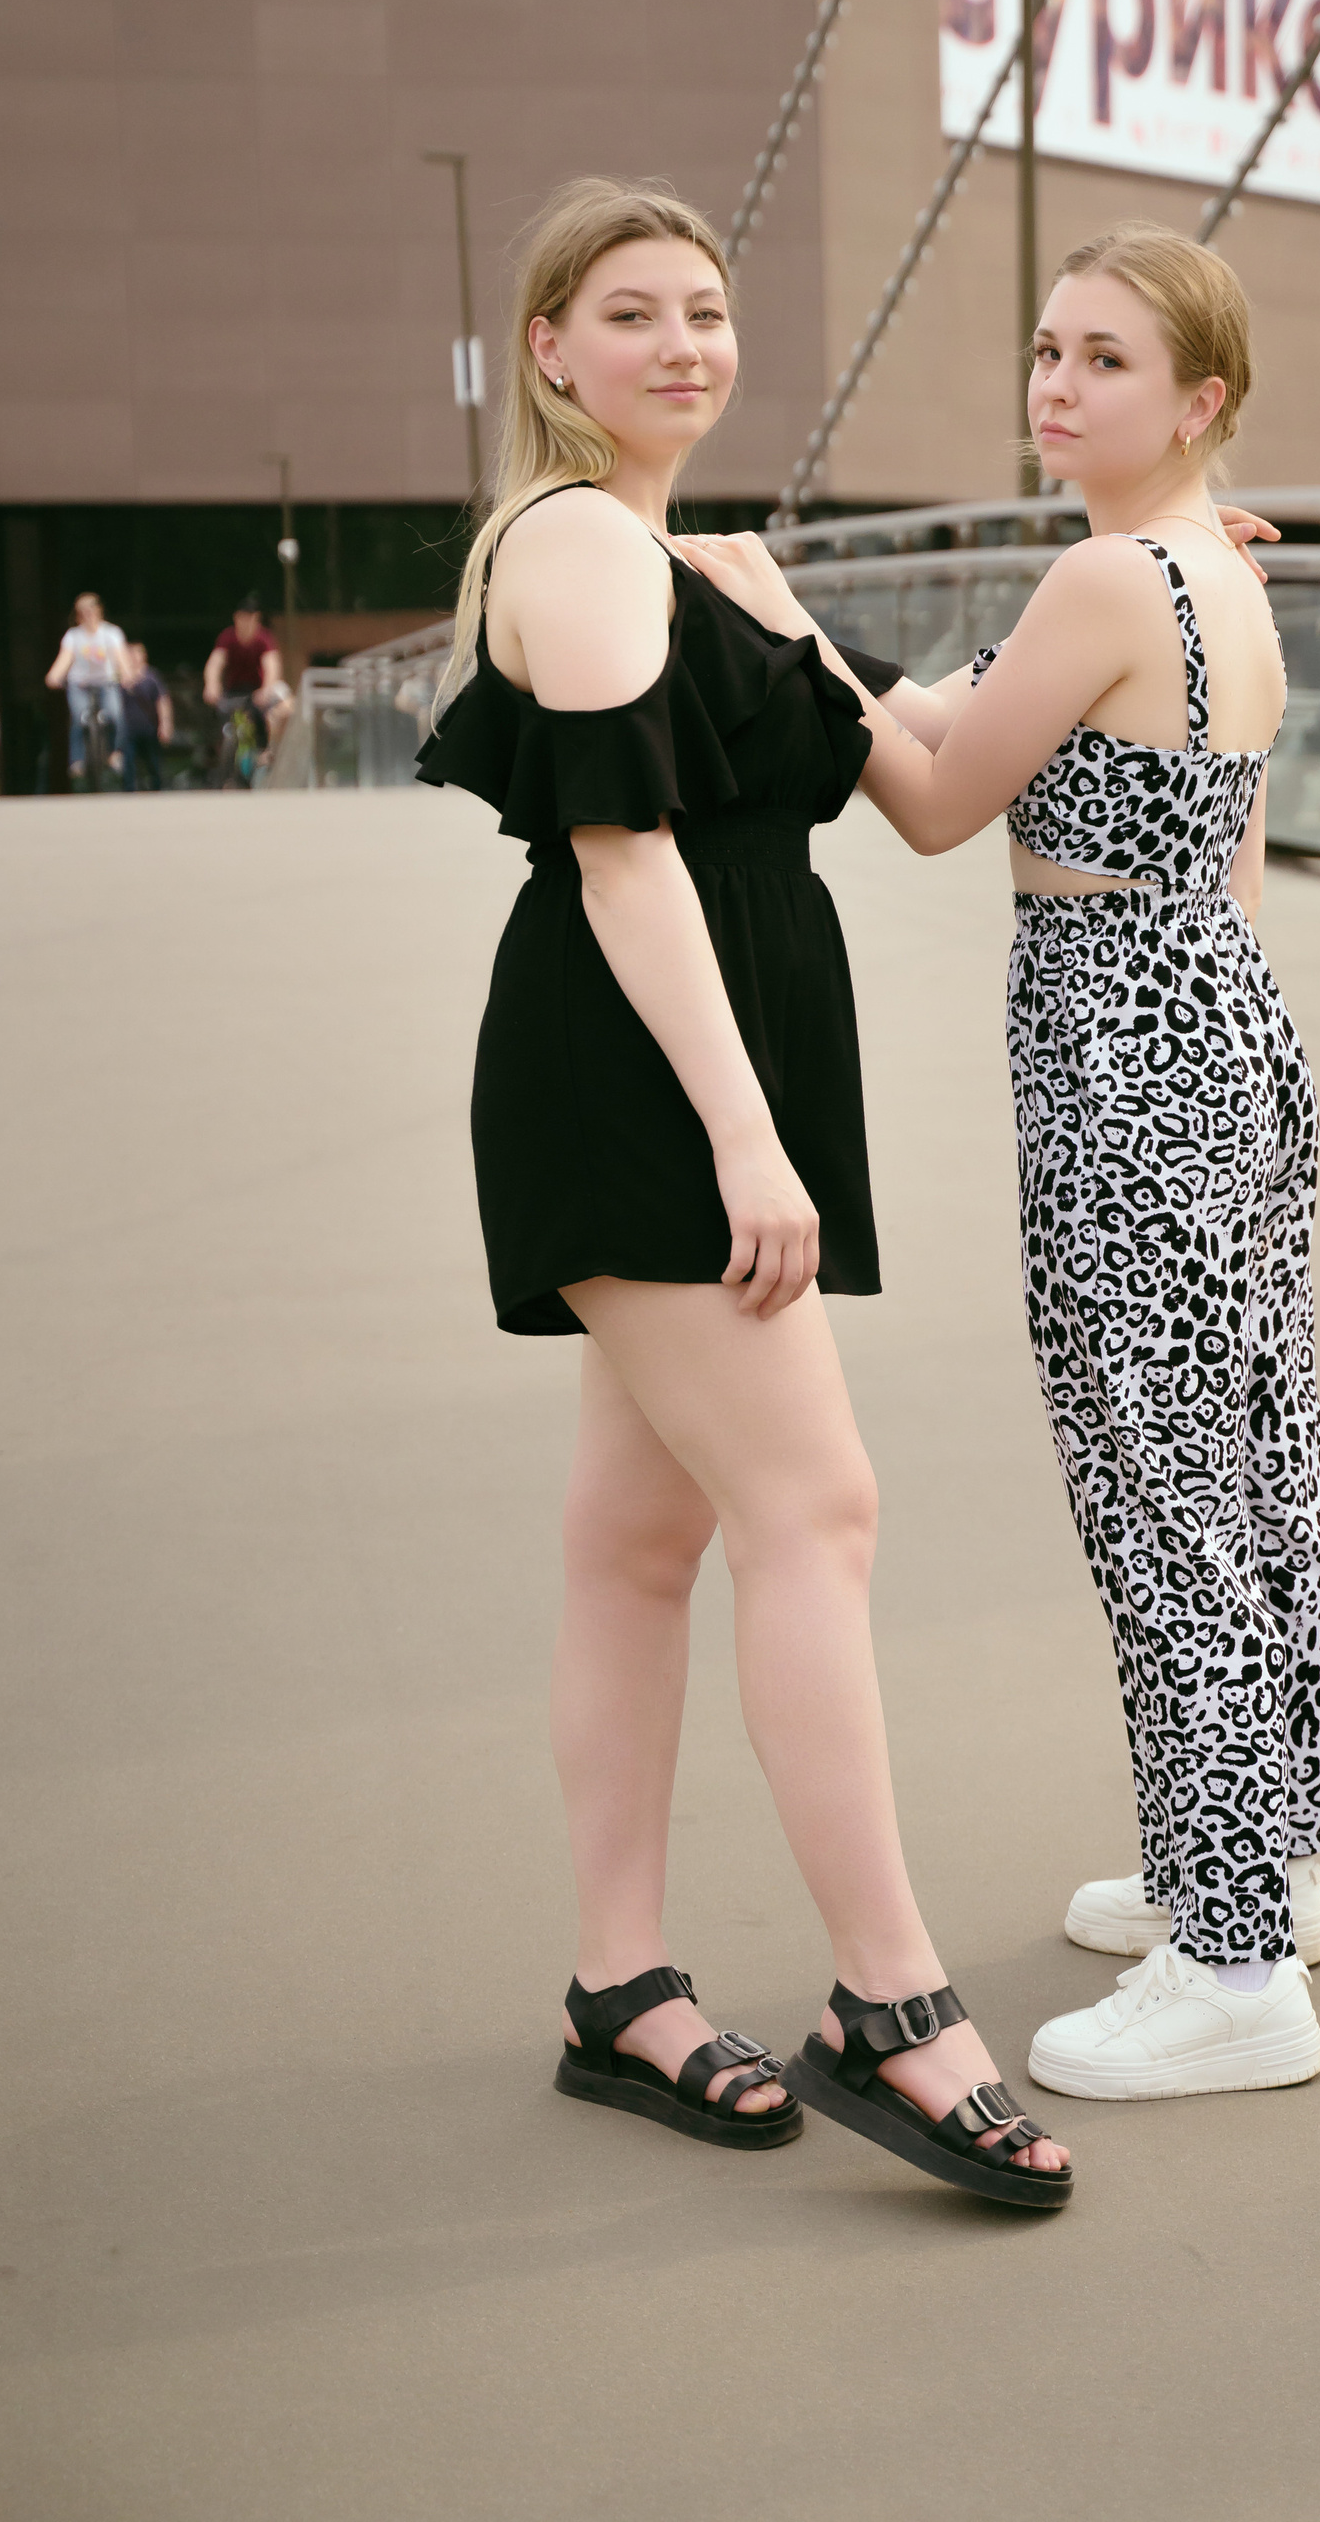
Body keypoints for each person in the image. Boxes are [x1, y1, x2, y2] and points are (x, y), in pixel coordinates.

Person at [416, 177, 1071, 2207]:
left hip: (712, 1062)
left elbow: (928, 781)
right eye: (631, 313)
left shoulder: (712, 564)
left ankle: (620, 1988)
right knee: (817, 1506)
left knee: (643, 1540)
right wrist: (744, 1136)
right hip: (647, 1077)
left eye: (704, 308)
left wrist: (1145, 573)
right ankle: (892, 2001)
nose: (682, 343)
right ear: (550, 350)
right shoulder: (578, 545)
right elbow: (622, 861)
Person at [684, 222, 1320, 2105]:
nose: (1057, 385)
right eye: (1050, 349)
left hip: (1125, 1061)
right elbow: (955, 712)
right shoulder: (1214, 570)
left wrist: (781, 625)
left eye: (1105, 360)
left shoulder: (1109, 575)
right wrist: (831, 647)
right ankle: (1261, 1863)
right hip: (1221, 1032)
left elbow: (924, 798)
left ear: (1200, 399)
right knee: (1256, 1456)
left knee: (1162, 1491)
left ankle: (1233, 1967)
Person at [44, 592, 127, 787]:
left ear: (99, 610)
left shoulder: (111, 633)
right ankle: (78, 760)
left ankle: (115, 753)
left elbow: (120, 658)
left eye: (90, 610)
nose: (87, 615)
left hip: (106, 682)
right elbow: (64, 659)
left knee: (115, 714)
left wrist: (127, 675)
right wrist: (54, 676)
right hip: (80, 684)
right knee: (79, 717)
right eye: (82, 612)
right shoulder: (73, 636)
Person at [203, 601, 294, 775]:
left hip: (257, 691)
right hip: (234, 691)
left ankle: (265, 749)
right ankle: (217, 758)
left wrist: (266, 689)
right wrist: (211, 685)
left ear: (256, 619)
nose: (245, 623)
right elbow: (215, 663)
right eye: (242, 618)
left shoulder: (264, 638)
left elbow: (272, 665)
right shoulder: (227, 637)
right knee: (220, 718)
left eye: (249, 618)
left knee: (267, 713)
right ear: (236, 618)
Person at [117, 642, 174, 792]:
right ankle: (128, 792)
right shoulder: (119, 678)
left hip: (149, 728)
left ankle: (157, 790)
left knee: (153, 763)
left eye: (137, 653)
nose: (133, 657)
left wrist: (165, 724)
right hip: (127, 729)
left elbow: (162, 700)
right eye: (130, 653)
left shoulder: (151, 677)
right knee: (128, 764)